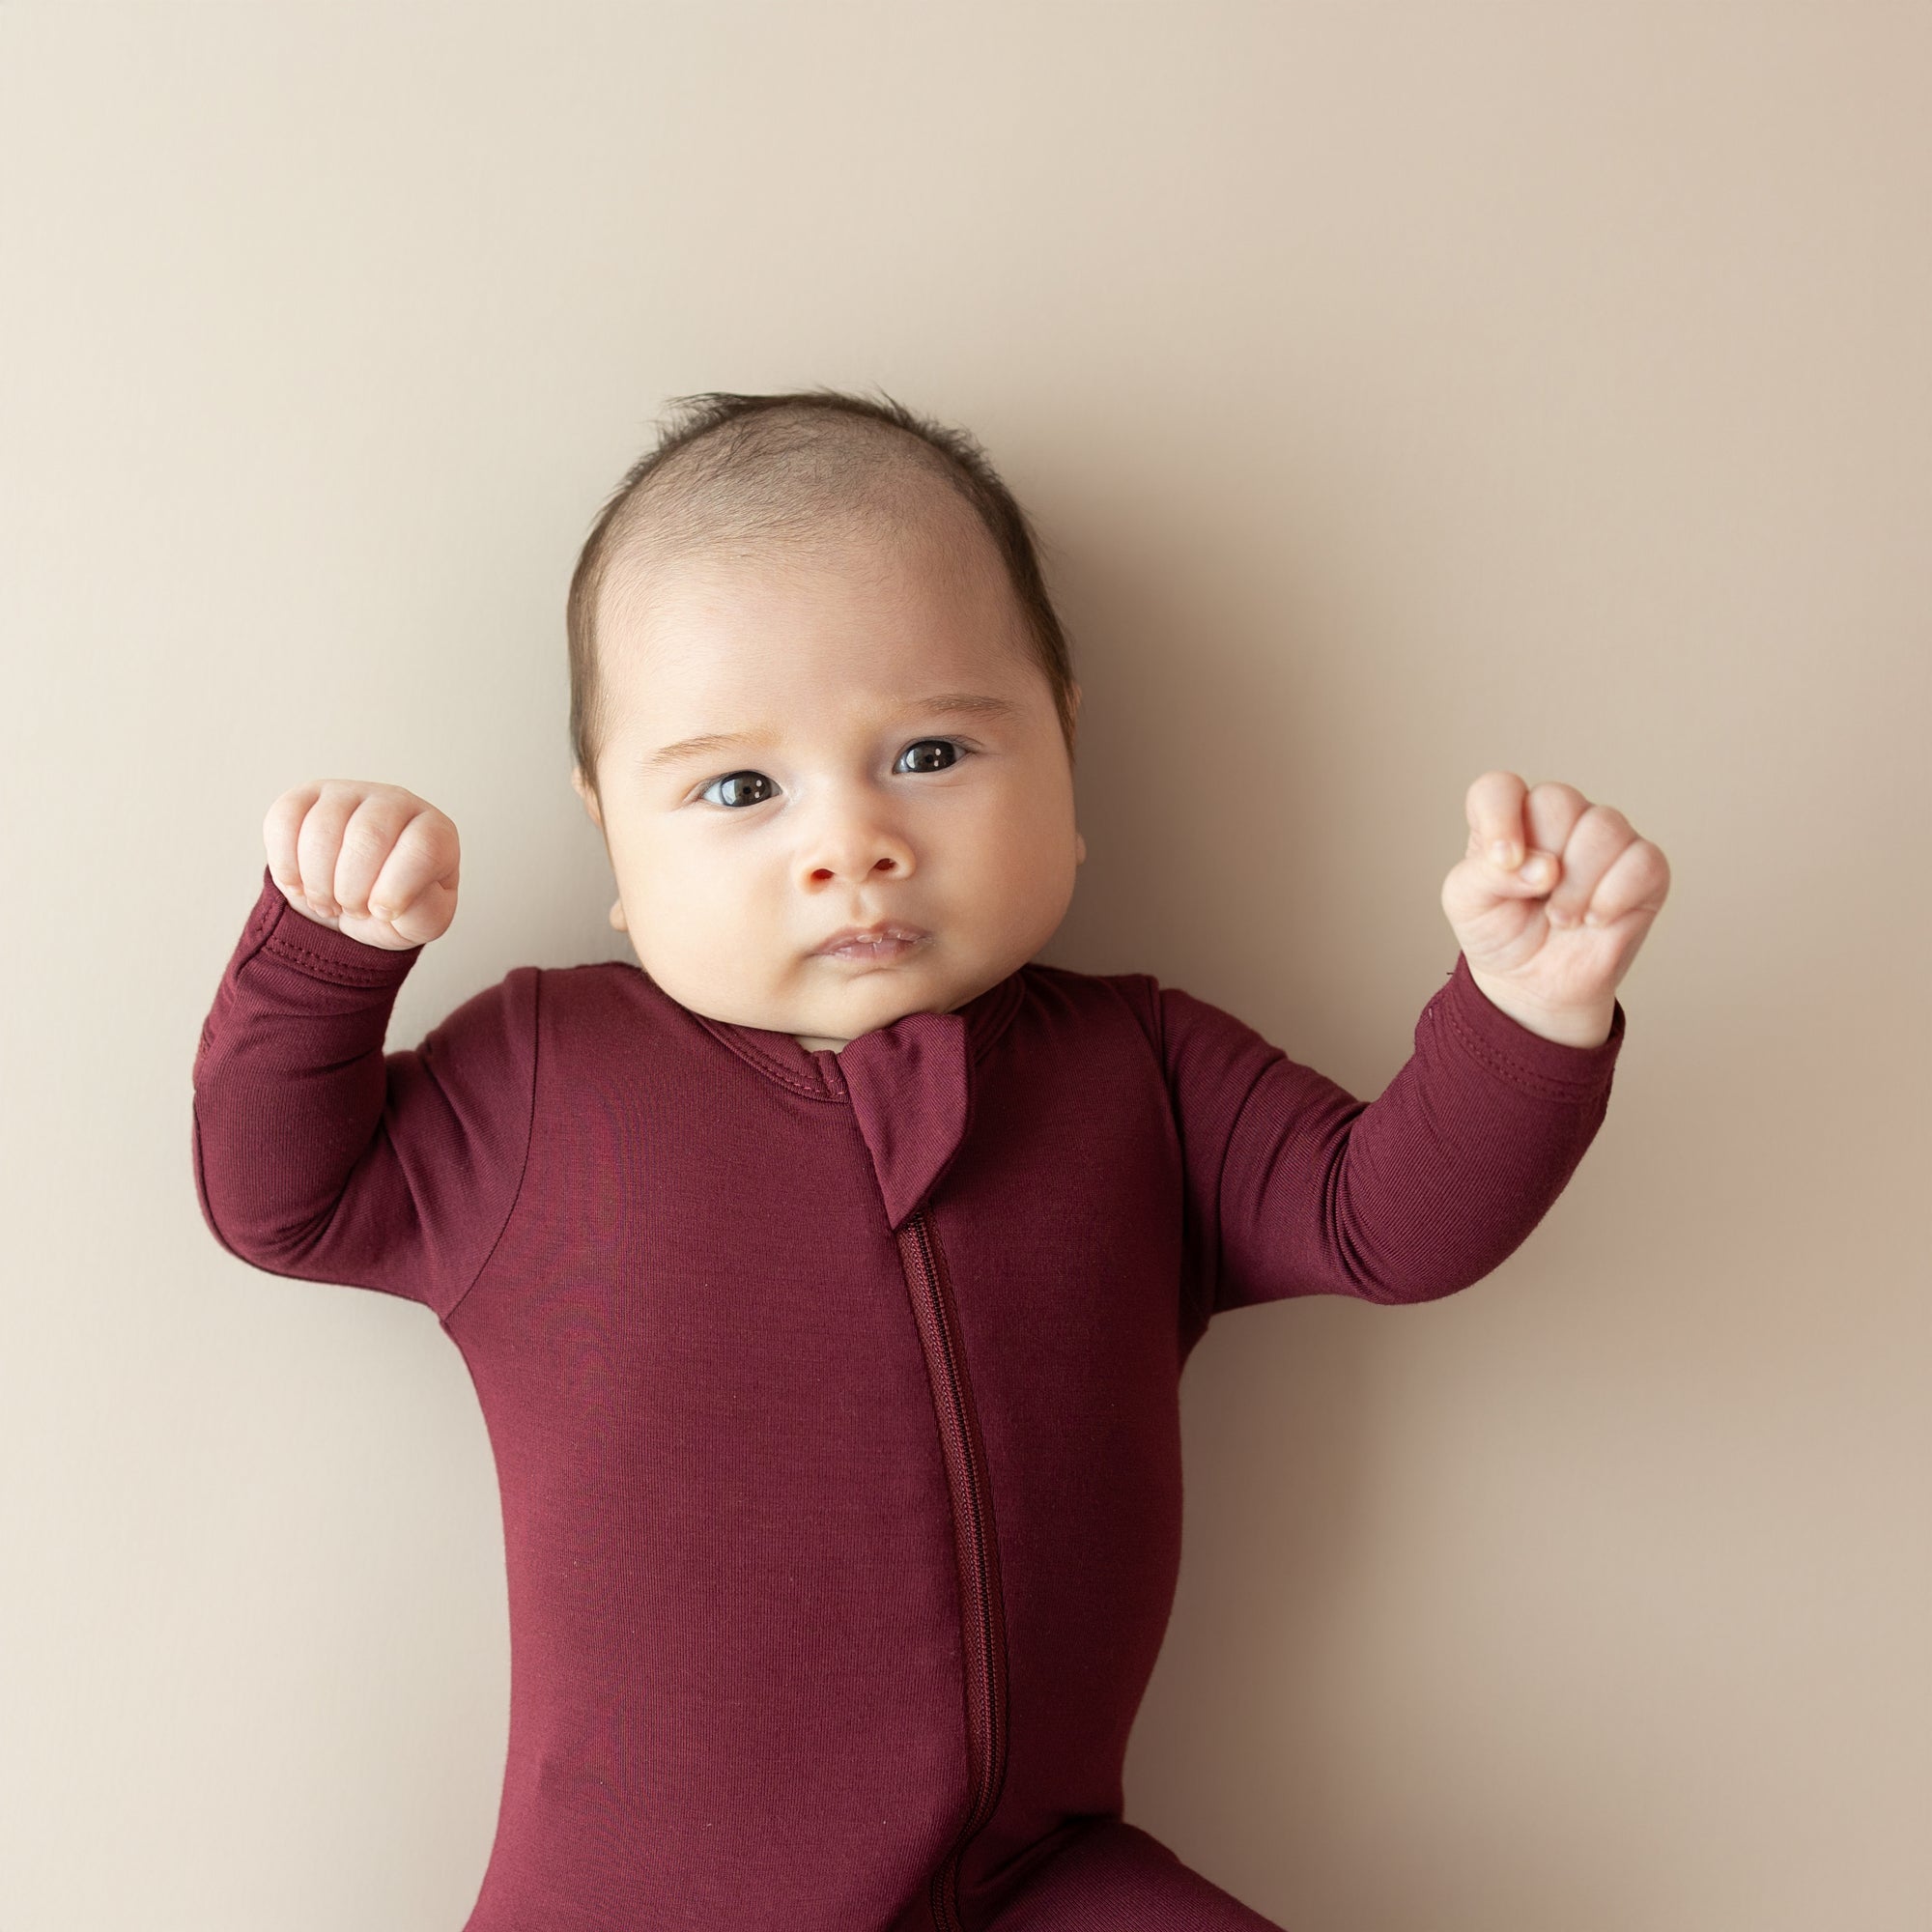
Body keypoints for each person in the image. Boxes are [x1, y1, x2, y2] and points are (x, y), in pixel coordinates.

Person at [190, 388, 1670, 1931]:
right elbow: (282, 1199)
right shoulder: (547, 1076)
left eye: (933, 750)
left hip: (1029, 1877)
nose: (851, 845)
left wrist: (1526, 1011)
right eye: (740, 789)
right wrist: (327, 956)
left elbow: (1389, 1224)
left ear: (1066, 750)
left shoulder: (1139, 1070)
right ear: (612, 836)